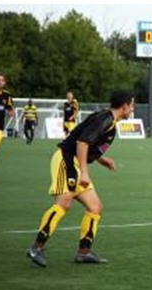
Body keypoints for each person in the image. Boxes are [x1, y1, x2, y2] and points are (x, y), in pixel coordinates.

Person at [26, 90, 135, 268]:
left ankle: (83, 253)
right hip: (67, 160)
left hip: (76, 163)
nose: (133, 108)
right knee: (64, 203)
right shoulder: (105, 120)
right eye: (132, 105)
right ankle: (36, 247)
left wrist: (102, 160)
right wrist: (84, 172)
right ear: (124, 106)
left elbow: (86, 141)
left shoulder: (107, 120)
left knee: (95, 207)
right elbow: (82, 142)